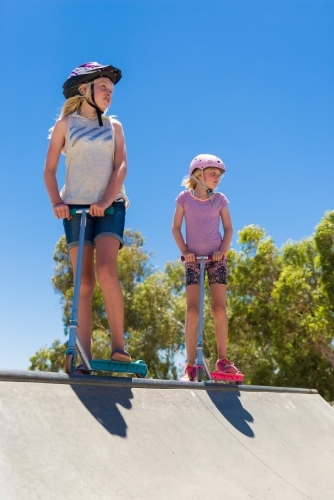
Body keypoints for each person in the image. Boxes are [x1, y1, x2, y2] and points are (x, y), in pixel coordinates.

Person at [44, 62, 131, 374]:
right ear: (85, 90)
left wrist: (106, 199)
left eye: (112, 90)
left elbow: (121, 166)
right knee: (83, 282)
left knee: (107, 271)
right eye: (103, 87)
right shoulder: (66, 125)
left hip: (110, 207)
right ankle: (82, 355)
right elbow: (49, 169)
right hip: (76, 208)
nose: (109, 94)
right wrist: (57, 201)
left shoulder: (114, 127)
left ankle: (120, 347)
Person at [172, 153, 242, 381]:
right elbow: (176, 228)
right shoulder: (184, 198)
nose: (217, 178)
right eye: (213, 174)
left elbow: (229, 228)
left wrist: (222, 249)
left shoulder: (220, 200)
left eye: (219, 175)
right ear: (198, 174)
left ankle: (223, 360)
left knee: (219, 310)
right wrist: (185, 252)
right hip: (193, 261)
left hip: (216, 259)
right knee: (192, 312)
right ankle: (190, 366)